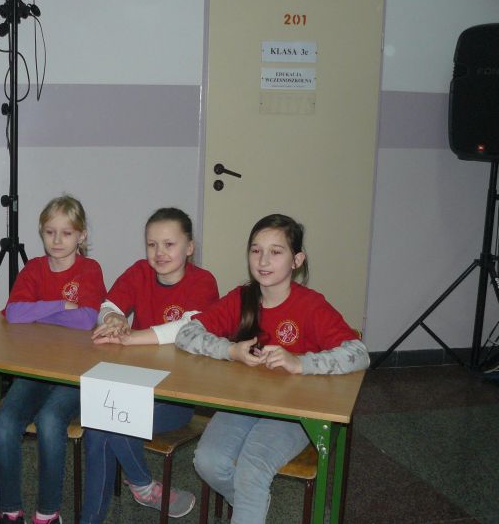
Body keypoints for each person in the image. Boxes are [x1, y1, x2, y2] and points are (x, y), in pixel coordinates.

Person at [175, 213, 370, 524]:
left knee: (252, 470)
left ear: (297, 260)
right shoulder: (242, 299)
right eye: (256, 250)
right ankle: (251, 505)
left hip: (294, 411)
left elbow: (359, 354)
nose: (263, 260)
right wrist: (230, 350)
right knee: (208, 461)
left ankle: (250, 503)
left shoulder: (311, 305)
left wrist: (301, 363)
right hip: (245, 402)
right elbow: (186, 334)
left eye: (276, 252)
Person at [81, 207, 220, 524]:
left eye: (169, 244)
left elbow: (188, 328)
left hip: (176, 396)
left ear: (189, 247)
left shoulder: (203, 281)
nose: (159, 253)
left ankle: (139, 487)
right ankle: (140, 489)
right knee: (100, 426)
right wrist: (113, 318)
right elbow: (108, 305)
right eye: (152, 244)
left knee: (109, 424)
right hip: (134, 385)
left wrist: (130, 337)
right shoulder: (139, 271)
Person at [0, 195, 107, 524]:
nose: (57, 240)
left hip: (75, 373)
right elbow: (14, 314)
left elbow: (86, 320)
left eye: (66, 233)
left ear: (81, 235)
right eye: (50, 232)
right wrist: (61, 305)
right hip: (35, 369)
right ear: (41, 233)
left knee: (49, 421)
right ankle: (10, 511)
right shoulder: (33, 268)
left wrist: (39, 312)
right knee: (6, 422)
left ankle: (47, 513)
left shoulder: (89, 269)